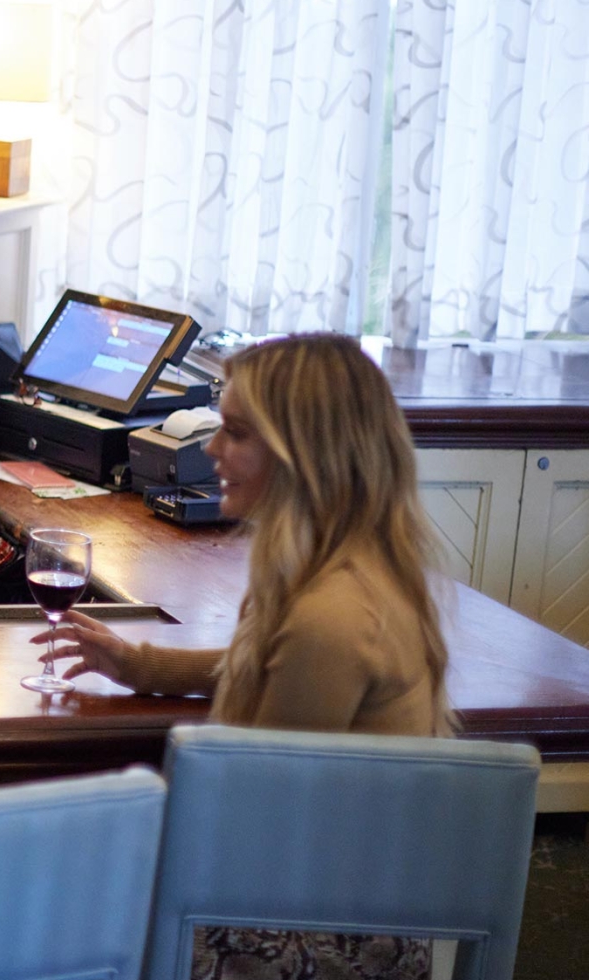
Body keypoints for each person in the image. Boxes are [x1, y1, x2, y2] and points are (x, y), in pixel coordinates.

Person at [38, 332, 451, 980]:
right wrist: (136, 665)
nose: (211, 451)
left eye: (235, 433)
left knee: (49, 900)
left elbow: (250, 818)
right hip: (318, 898)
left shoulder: (334, 617)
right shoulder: (343, 571)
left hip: (311, 938)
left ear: (302, 454)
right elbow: (266, 664)